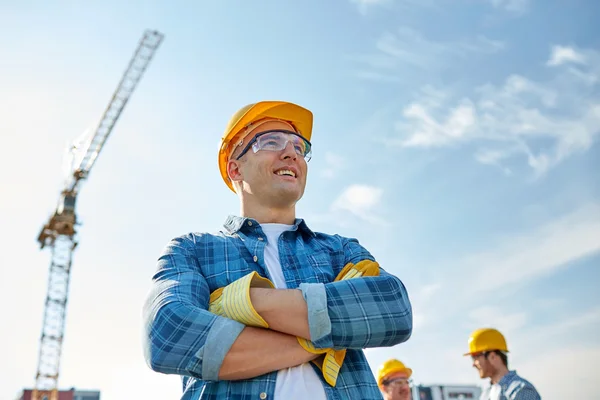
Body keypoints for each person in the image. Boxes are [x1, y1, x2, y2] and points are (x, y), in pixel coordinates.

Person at [142, 100, 413, 399]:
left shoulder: (340, 249)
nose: (291, 153)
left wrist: (243, 302)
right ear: (235, 168)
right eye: (271, 141)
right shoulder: (194, 250)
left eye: (299, 147)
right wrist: (327, 337)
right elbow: (168, 335)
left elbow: (394, 308)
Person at [464, 328, 541, 400]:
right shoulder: (486, 394)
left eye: (475, 358)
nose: (473, 364)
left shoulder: (522, 390)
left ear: (492, 357)